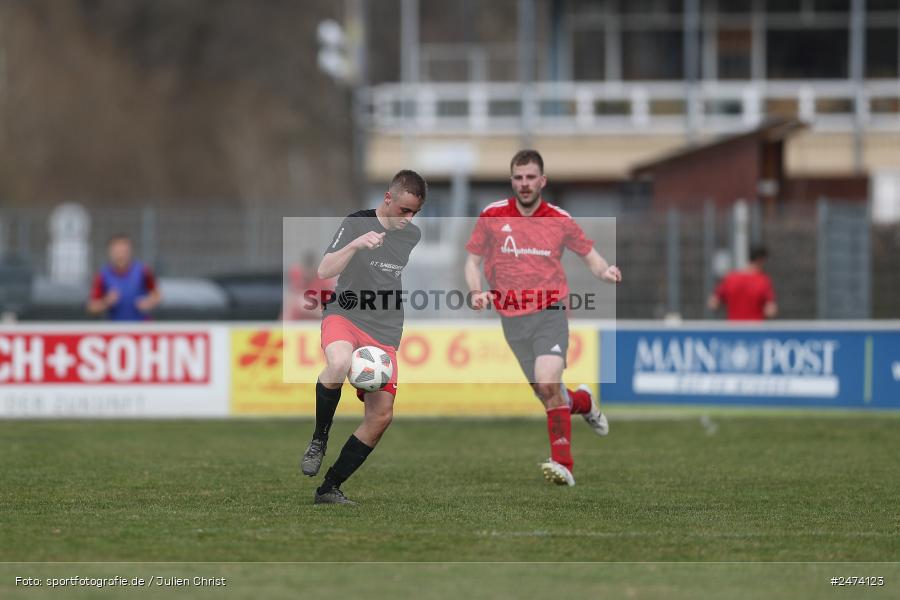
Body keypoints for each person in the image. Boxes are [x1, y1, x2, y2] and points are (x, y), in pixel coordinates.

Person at [464, 149, 622, 487]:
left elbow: (589, 256)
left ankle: (563, 463)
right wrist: (477, 291)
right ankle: (584, 401)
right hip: (511, 318)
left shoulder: (559, 218)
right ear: (512, 181)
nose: (524, 184)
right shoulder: (492, 215)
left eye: (530, 177)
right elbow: (472, 261)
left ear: (542, 181)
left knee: (548, 383)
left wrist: (605, 271)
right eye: (518, 178)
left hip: (550, 311)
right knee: (546, 392)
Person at [300, 169, 427, 505]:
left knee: (381, 416)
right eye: (404, 210)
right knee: (339, 361)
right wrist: (357, 243)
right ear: (388, 198)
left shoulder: (411, 236)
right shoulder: (356, 223)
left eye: (415, 213)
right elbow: (325, 270)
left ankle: (329, 488)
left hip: (384, 330)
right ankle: (319, 439)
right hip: (345, 313)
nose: (409, 218)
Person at [87, 234, 161, 320]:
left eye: (124, 251)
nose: (120, 255)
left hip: (142, 328)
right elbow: (91, 307)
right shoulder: (102, 275)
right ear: (110, 252)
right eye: (117, 251)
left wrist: (149, 302)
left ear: (130, 251)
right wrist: (106, 301)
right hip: (116, 329)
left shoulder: (143, 271)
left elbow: (157, 295)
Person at [707, 245, 778, 321]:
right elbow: (770, 310)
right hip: (755, 330)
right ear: (761, 259)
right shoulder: (763, 281)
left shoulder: (730, 278)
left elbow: (713, 303)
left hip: (734, 329)